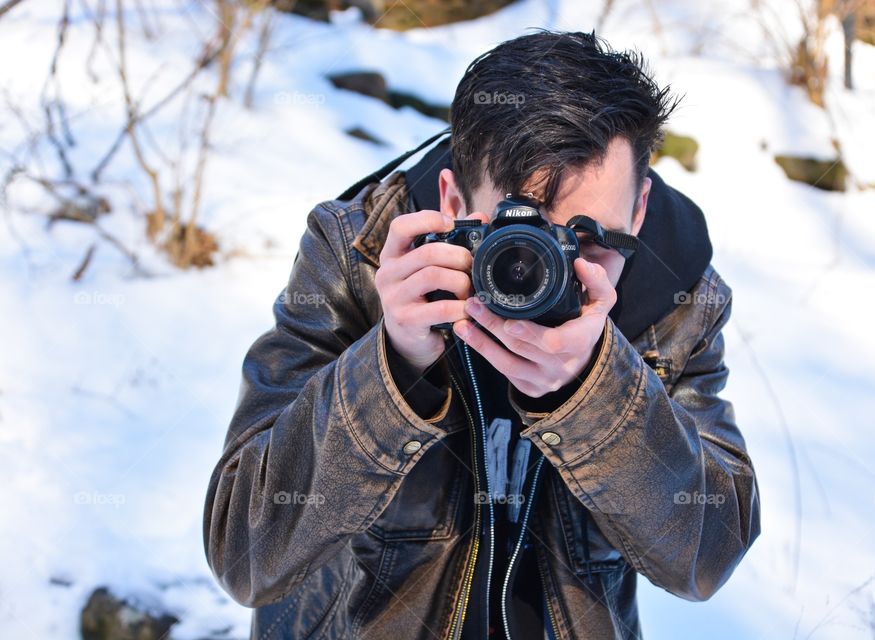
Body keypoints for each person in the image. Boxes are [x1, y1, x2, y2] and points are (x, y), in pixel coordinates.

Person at [203, 30, 761, 640]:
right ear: (450, 197)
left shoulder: (676, 302)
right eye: (514, 237)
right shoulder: (362, 261)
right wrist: (392, 368)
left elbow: (706, 559)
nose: (551, 270)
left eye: (592, 241)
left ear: (640, 209)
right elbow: (245, 555)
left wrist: (598, 396)